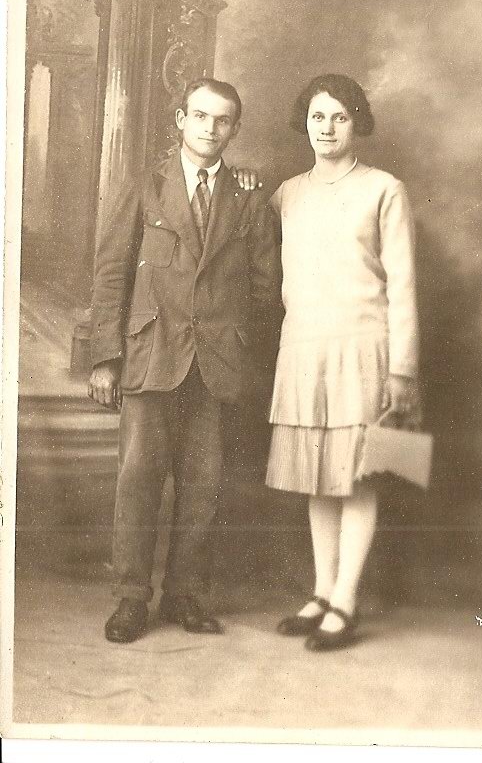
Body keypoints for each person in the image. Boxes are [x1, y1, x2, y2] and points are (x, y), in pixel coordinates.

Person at [88, 78, 282, 643]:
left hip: (217, 364)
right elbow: (110, 274)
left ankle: (184, 594)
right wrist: (106, 357)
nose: (210, 129)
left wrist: (248, 352)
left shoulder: (248, 197)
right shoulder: (144, 185)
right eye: (200, 116)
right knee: (138, 479)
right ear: (180, 119)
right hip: (152, 356)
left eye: (223, 120)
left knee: (204, 483)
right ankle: (131, 598)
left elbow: (264, 287)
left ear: (234, 128)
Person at [265, 74, 420, 651]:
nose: (326, 128)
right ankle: (321, 590)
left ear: (358, 123)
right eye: (316, 116)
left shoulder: (385, 189)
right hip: (304, 346)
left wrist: (402, 368)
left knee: (359, 476)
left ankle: (346, 599)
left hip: (365, 348)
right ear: (303, 122)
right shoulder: (286, 193)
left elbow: (403, 284)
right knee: (317, 474)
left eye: (339, 117)